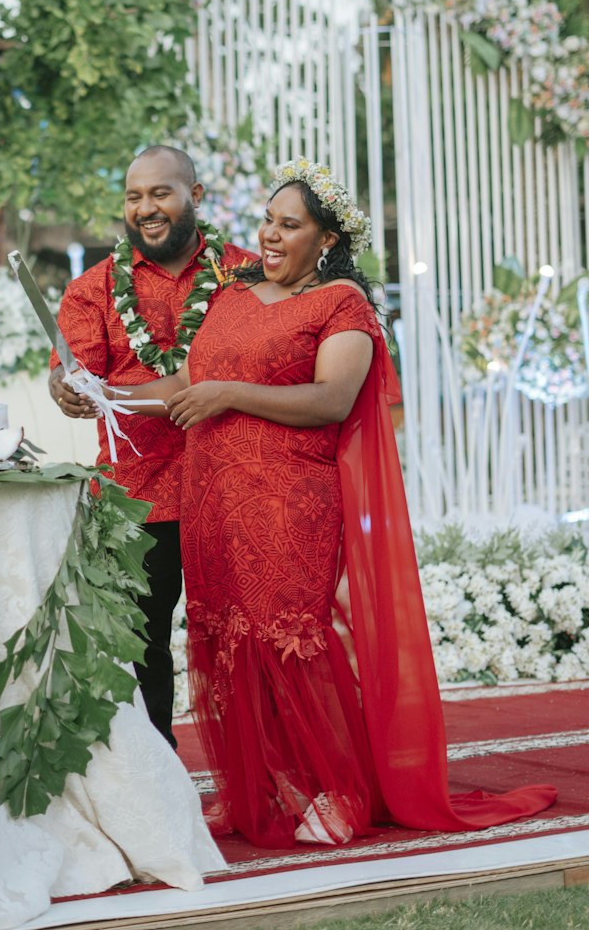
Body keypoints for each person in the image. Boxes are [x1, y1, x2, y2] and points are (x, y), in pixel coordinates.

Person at [114, 159, 556, 845]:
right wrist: (104, 391)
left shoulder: (340, 304)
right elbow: (186, 379)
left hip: (292, 501)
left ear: (325, 241)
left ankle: (340, 791)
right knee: (232, 645)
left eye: (290, 225)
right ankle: (267, 789)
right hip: (215, 503)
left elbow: (331, 399)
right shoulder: (234, 296)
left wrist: (228, 395)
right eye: (267, 219)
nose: (269, 235)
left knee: (292, 644)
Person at [49, 145, 255, 747]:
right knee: (142, 645)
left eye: (161, 193)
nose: (146, 208)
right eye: (134, 197)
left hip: (233, 482)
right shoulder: (91, 290)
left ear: (197, 195)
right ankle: (159, 784)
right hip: (138, 494)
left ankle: (262, 776)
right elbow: (73, 371)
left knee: (246, 636)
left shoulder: (243, 275)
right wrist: (64, 387)